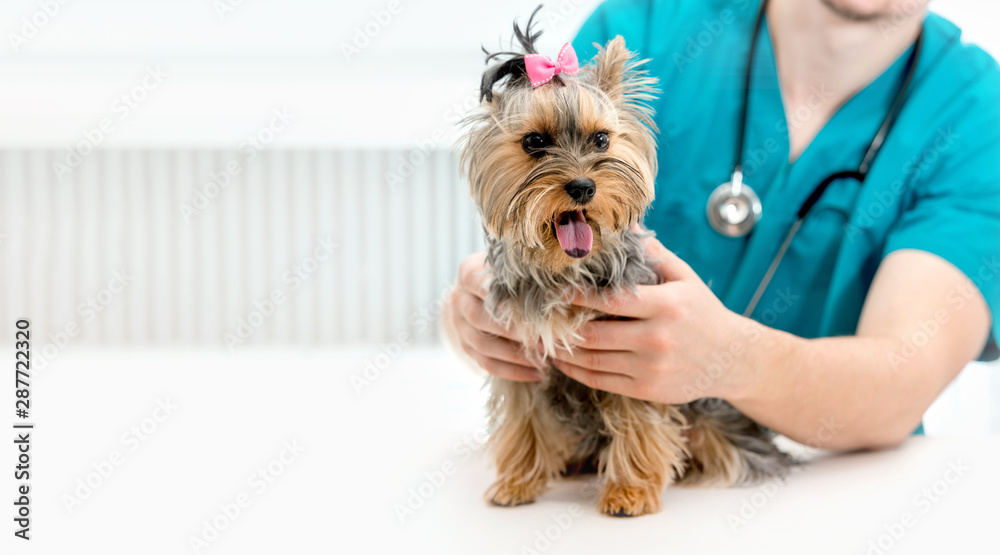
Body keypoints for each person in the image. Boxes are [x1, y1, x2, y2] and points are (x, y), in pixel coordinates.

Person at [443, 0, 1000, 450]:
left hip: (834, 483)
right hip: (595, 476)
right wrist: (472, 319)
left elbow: (900, 385)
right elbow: (519, 201)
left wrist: (727, 361)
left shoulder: (974, 112)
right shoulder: (646, 25)